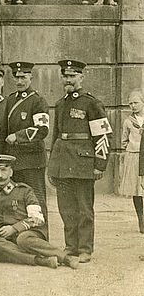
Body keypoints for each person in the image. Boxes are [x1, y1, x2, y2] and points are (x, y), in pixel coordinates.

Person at [47, 59, 112, 263]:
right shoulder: (60, 104)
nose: (68, 80)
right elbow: (56, 136)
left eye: (72, 76)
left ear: (81, 77)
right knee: (66, 208)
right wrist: (53, 167)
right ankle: (71, 246)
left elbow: (103, 136)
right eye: (65, 76)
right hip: (63, 163)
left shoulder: (91, 103)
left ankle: (85, 249)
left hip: (83, 164)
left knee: (84, 208)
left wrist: (99, 164)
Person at [0, 154, 79, 269]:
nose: (0, 175)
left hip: (30, 234)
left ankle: (65, 258)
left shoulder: (24, 191)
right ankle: (42, 260)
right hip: (8, 240)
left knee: (23, 239)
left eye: (4, 170)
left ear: (11, 172)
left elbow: (38, 219)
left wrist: (14, 228)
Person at [1, 61, 50, 219]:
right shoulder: (10, 100)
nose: (19, 81)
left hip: (32, 161)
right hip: (14, 160)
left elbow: (42, 130)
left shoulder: (37, 101)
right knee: (16, 202)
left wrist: (18, 136)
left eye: (23, 77)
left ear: (31, 77)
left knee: (36, 201)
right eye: (16, 77)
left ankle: (41, 237)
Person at [120, 90, 144, 232]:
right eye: (130, 103)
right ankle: (141, 219)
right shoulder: (128, 121)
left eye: (136, 102)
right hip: (133, 156)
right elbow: (124, 140)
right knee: (136, 189)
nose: (133, 106)